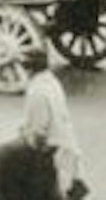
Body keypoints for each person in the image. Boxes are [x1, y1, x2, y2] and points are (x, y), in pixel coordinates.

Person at [21, 45, 88, 200]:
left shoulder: (36, 92)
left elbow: (37, 132)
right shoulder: (52, 83)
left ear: (28, 69)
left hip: (53, 156)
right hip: (67, 149)